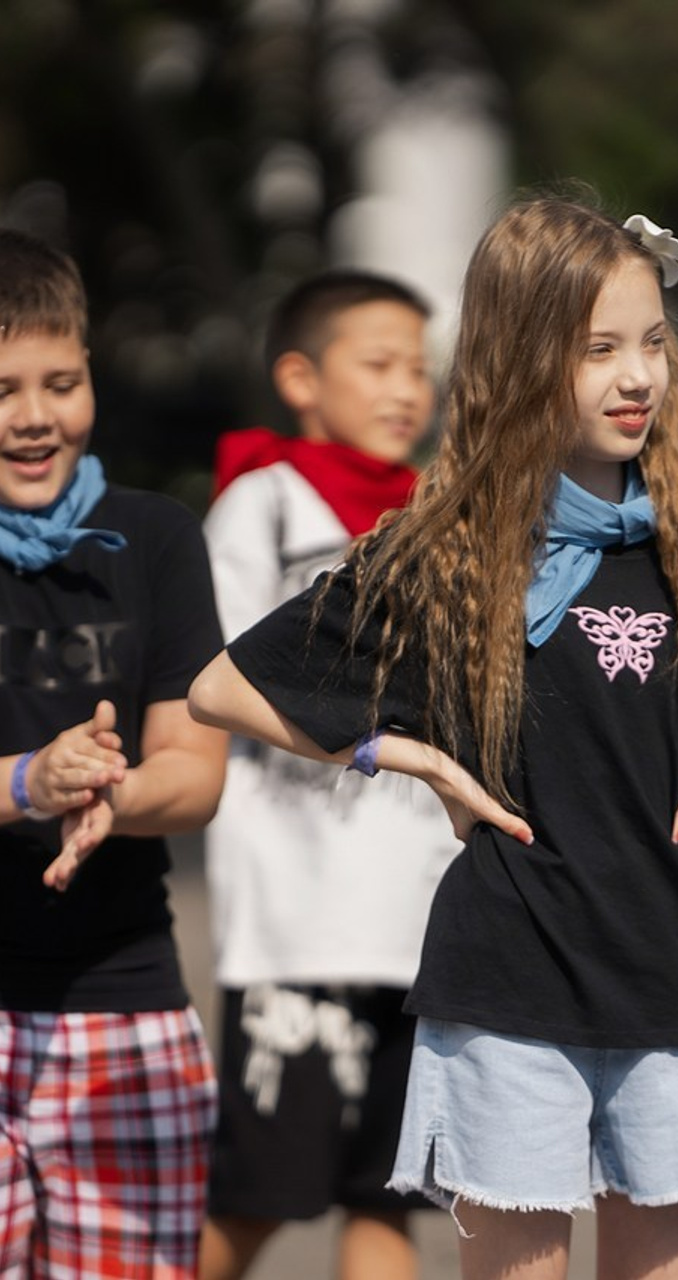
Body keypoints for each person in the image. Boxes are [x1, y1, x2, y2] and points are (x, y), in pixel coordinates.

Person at [187, 194, 678, 1280]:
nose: (637, 377)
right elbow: (220, 688)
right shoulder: (444, 546)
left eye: (653, 343)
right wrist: (400, 752)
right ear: (519, 358)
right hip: (505, 984)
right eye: (598, 350)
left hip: (672, 976)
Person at [198, 271, 459, 1280]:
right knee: (253, 1198)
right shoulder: (262, 503)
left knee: (388, 1198)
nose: (406, 390)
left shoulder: (439, 512)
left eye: (419, 370)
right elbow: (217, 681)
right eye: (378, 364)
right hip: (298, 920)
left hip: (421, 917)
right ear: (300, 378)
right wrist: (362, 736)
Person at [0, 228, 228, 1277]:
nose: (35, 416)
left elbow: (195, 769)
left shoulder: (159, 537)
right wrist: (27, 780)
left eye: (62, 382)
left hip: (124, 1011)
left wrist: (111, 794)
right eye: (4, 391)